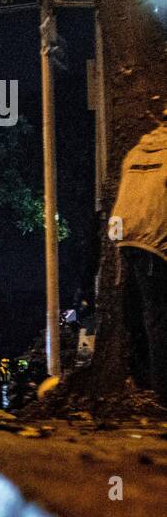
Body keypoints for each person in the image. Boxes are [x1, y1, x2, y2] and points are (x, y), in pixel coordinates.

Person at [110, 122, 167, 405]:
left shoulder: (137, 151)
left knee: (146, 312)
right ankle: (162, 390)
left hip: (128, 236)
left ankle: (148, 380)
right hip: (156, 237)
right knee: (158, 316)